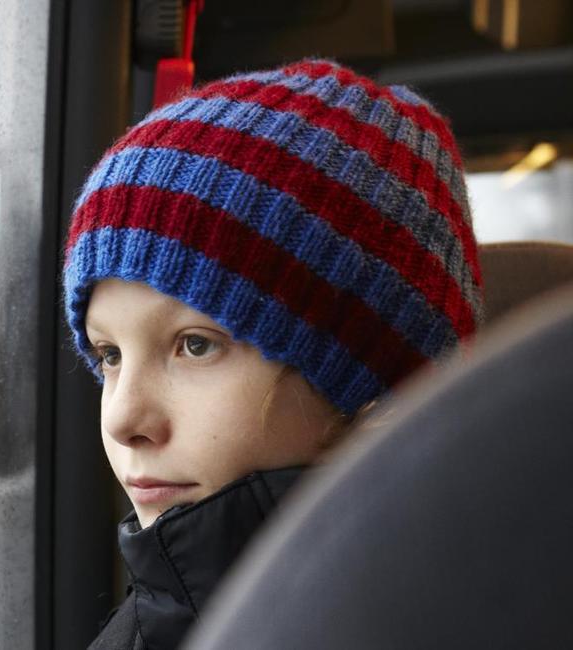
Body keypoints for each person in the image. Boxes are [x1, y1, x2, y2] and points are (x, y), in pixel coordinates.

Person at [62, 59, 482, 649]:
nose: (122, 419)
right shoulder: (157, 621)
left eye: (195, 345)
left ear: (370, 388)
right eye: (109, 355)